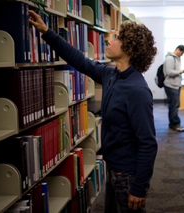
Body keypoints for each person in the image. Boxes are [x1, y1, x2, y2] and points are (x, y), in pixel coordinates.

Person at [28, 10, 158, 213]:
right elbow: (79, 60)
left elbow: (148, 143)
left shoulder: (137, 90)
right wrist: (46, 32)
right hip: (114, 169)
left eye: (116, 38)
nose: (109, 41)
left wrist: (139, 188)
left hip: (128, 175)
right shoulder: (111, 75)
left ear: (130, 48)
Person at [163, 45, 184, 132]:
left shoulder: (176, 58)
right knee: (174, 106)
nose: (181, 55)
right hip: (171, 85)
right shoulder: (170, 59)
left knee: (173, 105)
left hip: (175, 85)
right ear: (178, 49)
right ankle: (175, 124)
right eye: (181, 53)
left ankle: (172, 123)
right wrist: (181, 71)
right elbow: (169, 72)